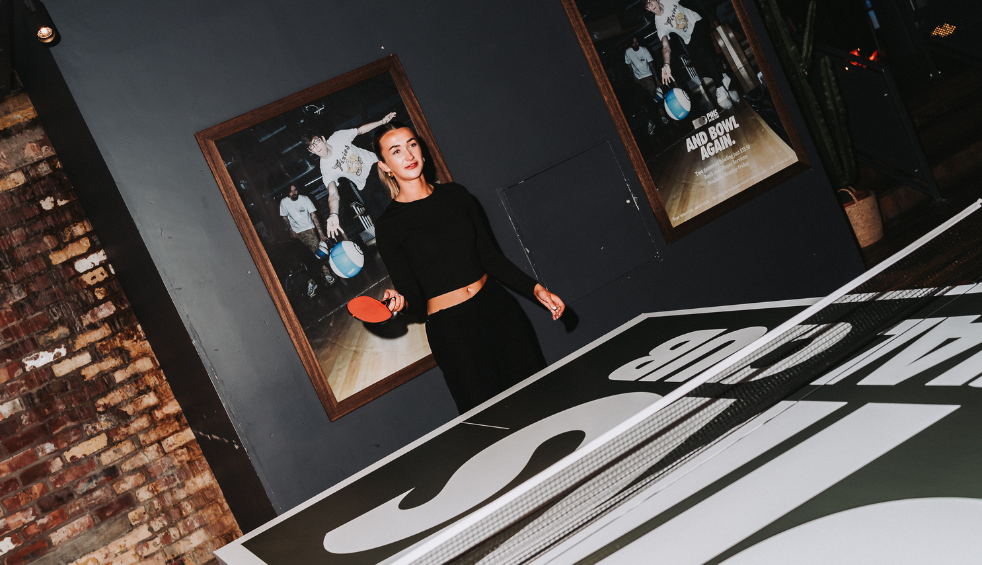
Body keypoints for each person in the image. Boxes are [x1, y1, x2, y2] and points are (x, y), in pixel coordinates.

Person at [371, 122, 565, 413]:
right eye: (396, 151)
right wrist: (401, 301)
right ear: (385, 166)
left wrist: (535, 289)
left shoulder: (456, 196)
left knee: (542, 402)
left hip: (498, 309)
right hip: (453, 331)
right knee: (496, 422)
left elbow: (490, 257)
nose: (408, 154)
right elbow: (413, 294)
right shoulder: (389, 226)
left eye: (412, 144)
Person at [302, 111, 398, 239]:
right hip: (363, 185)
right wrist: (333, 214)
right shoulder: (326, 168)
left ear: (323, 139)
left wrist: (382, 121)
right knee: (380, 224)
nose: (316, 147)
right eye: (311, 146)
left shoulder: (338, 137)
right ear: (310, 151)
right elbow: (333, 194)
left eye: (316, 141)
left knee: (388, 203)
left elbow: (360, 131)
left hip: (375, 168)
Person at [645, 0, 723, 90]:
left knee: (704, 53)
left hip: (696, 22)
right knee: (701, 71)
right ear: (647, 8)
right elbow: (665, 46)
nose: (651, 4)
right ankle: (722, 76)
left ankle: (719, 86)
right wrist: (666, 64)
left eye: (651, 0)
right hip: (688, 38)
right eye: (648, 4)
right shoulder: (660, 24)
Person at [279, 184, 335, 293]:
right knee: (304, 259)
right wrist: (291, 229)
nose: (294, 193)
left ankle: (328, 276)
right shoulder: (284, 202)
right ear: (287, 193)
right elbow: (284, 217)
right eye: (291, 191)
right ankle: (312, 282)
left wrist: (321, 234)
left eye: (295, 190)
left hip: (309, 230)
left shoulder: (305, 199)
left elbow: (314, 216)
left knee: (318, 254)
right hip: (296, 234)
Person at [625, 36, 658, 101]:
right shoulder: (628, 52)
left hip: (648, 76)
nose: (635, 44)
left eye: (636, 42)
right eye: (633, 43)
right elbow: (629, 65)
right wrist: (634, 77)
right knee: (645, 99)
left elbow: (651, 65)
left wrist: (657, 80)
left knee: (655, 97)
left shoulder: (644, 50)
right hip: (638, 79)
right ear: (630, 44)